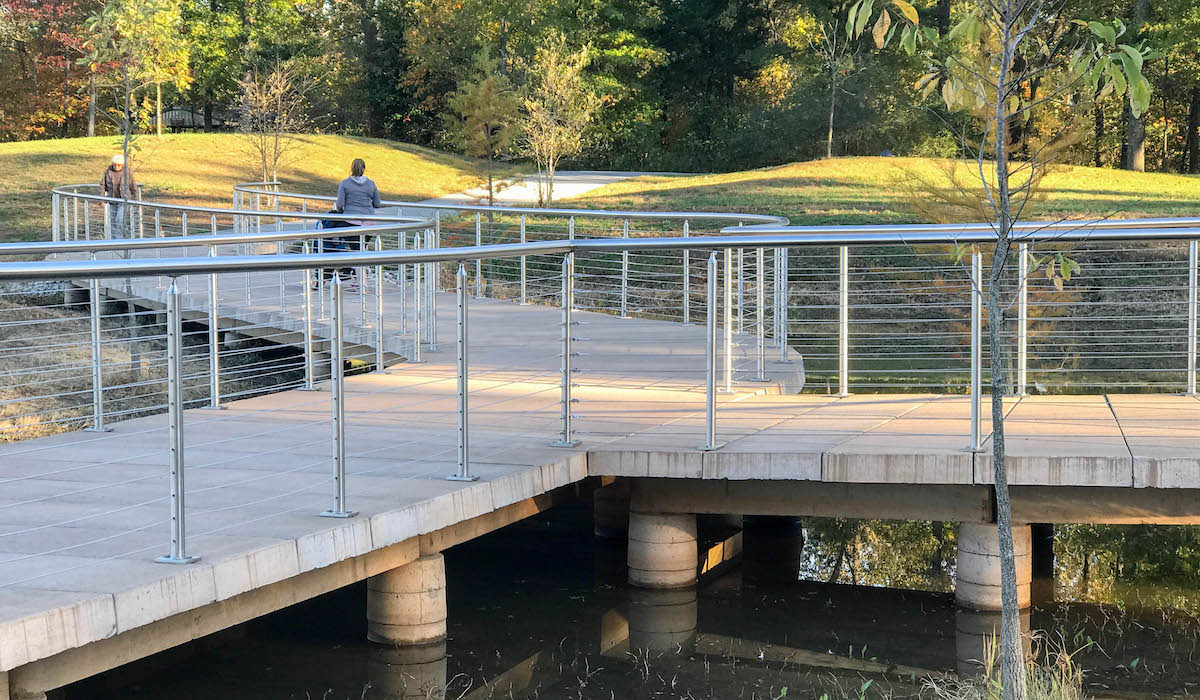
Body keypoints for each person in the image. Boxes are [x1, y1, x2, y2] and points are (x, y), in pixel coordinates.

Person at [315, 160, 382, 290]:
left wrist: (340, 212)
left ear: (351, 168)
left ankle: (361, 284)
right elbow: (377, 203)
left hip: (351, 221)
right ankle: (362, 278)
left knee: (356, 252)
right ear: (364, 168)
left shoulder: (345, 183)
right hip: (369, 223)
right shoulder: (371, 184)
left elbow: (339, 204)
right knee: (362, 250)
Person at [99, 154, 135, 237]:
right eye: (114, 164)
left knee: (119, 220)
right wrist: (102, 200)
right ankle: (114, 240)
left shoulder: (127, 172)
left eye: (118, 165)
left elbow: (133, 185)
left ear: (122, 165)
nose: (116, 166)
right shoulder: (108, 172)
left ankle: (120, 240)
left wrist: (135, 199)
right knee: (112, 221)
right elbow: (102, 186)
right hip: (112, 200)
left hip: (123, 200)